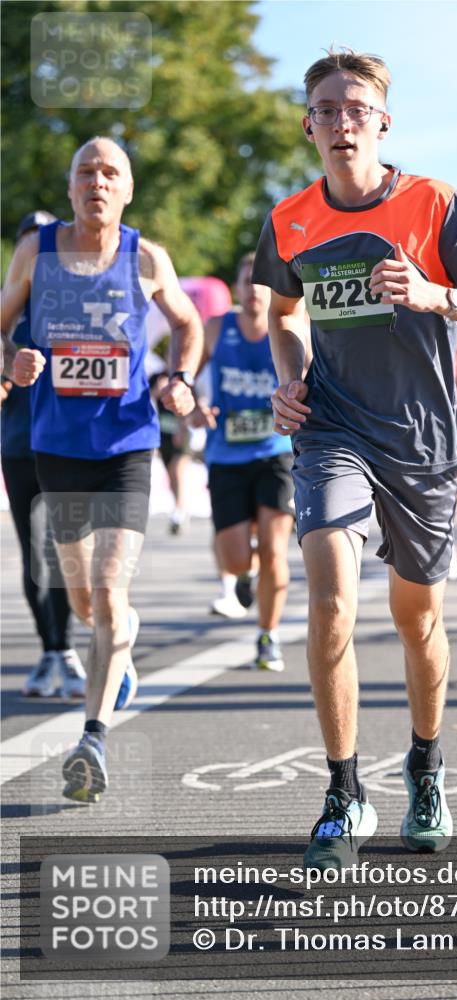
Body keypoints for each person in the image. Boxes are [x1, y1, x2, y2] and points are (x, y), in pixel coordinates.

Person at [253, 48, 457, 870]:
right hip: (333, 430)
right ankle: (342, 792)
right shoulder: (289, 218)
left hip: (422, 443)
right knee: (330, 601)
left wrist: (435, 294)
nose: (341, 122)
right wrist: (291, 378)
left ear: (382, 122)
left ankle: (424, 765)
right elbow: (282, 310)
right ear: (309, 125)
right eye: (326, 109)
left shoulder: (433, 204)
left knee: (418, 620)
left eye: (356, 108)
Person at [1, 137, 202, 802]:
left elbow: (187, 322)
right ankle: (121, 648)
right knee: (86, 601)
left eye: (110, 171)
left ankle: (92, 736)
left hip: (126, 446)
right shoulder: (38, 251)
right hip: (56, 446)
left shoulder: (147, 257)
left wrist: (179, 377)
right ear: (70, 188)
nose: (97, 180)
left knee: (110, 594)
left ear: (127, 188)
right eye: (85, 170)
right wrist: (12, 361)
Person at [193, 252, 296, 671]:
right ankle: (244, 576)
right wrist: (194, 403)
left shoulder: (290, 325)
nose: (253, 288)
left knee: (274, 550)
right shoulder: (217, 328)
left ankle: (268, 635)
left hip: (276, 452)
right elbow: (185, 376)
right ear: (236, 288)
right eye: (246, 279)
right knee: (235, 558)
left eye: (261, 281)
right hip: (226, 454)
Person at [1, 211, 86, 699]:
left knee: (64, 552)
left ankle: (68, 648)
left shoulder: (75, 300)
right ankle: (50, 649)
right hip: (17, 445)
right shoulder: (5, 313)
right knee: (33, 553)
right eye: (28, 242)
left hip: (68, 444)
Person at [148, 370, 192, 534]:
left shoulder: (182, 378)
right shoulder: (155, 377)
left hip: (180, 435)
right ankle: (179, 506)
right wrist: (157, 391)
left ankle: (179, 512)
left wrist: (182, 428)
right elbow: (146, 398)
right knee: (172, 476)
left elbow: (188, 406)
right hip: (163, 437)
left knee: (177, 470)